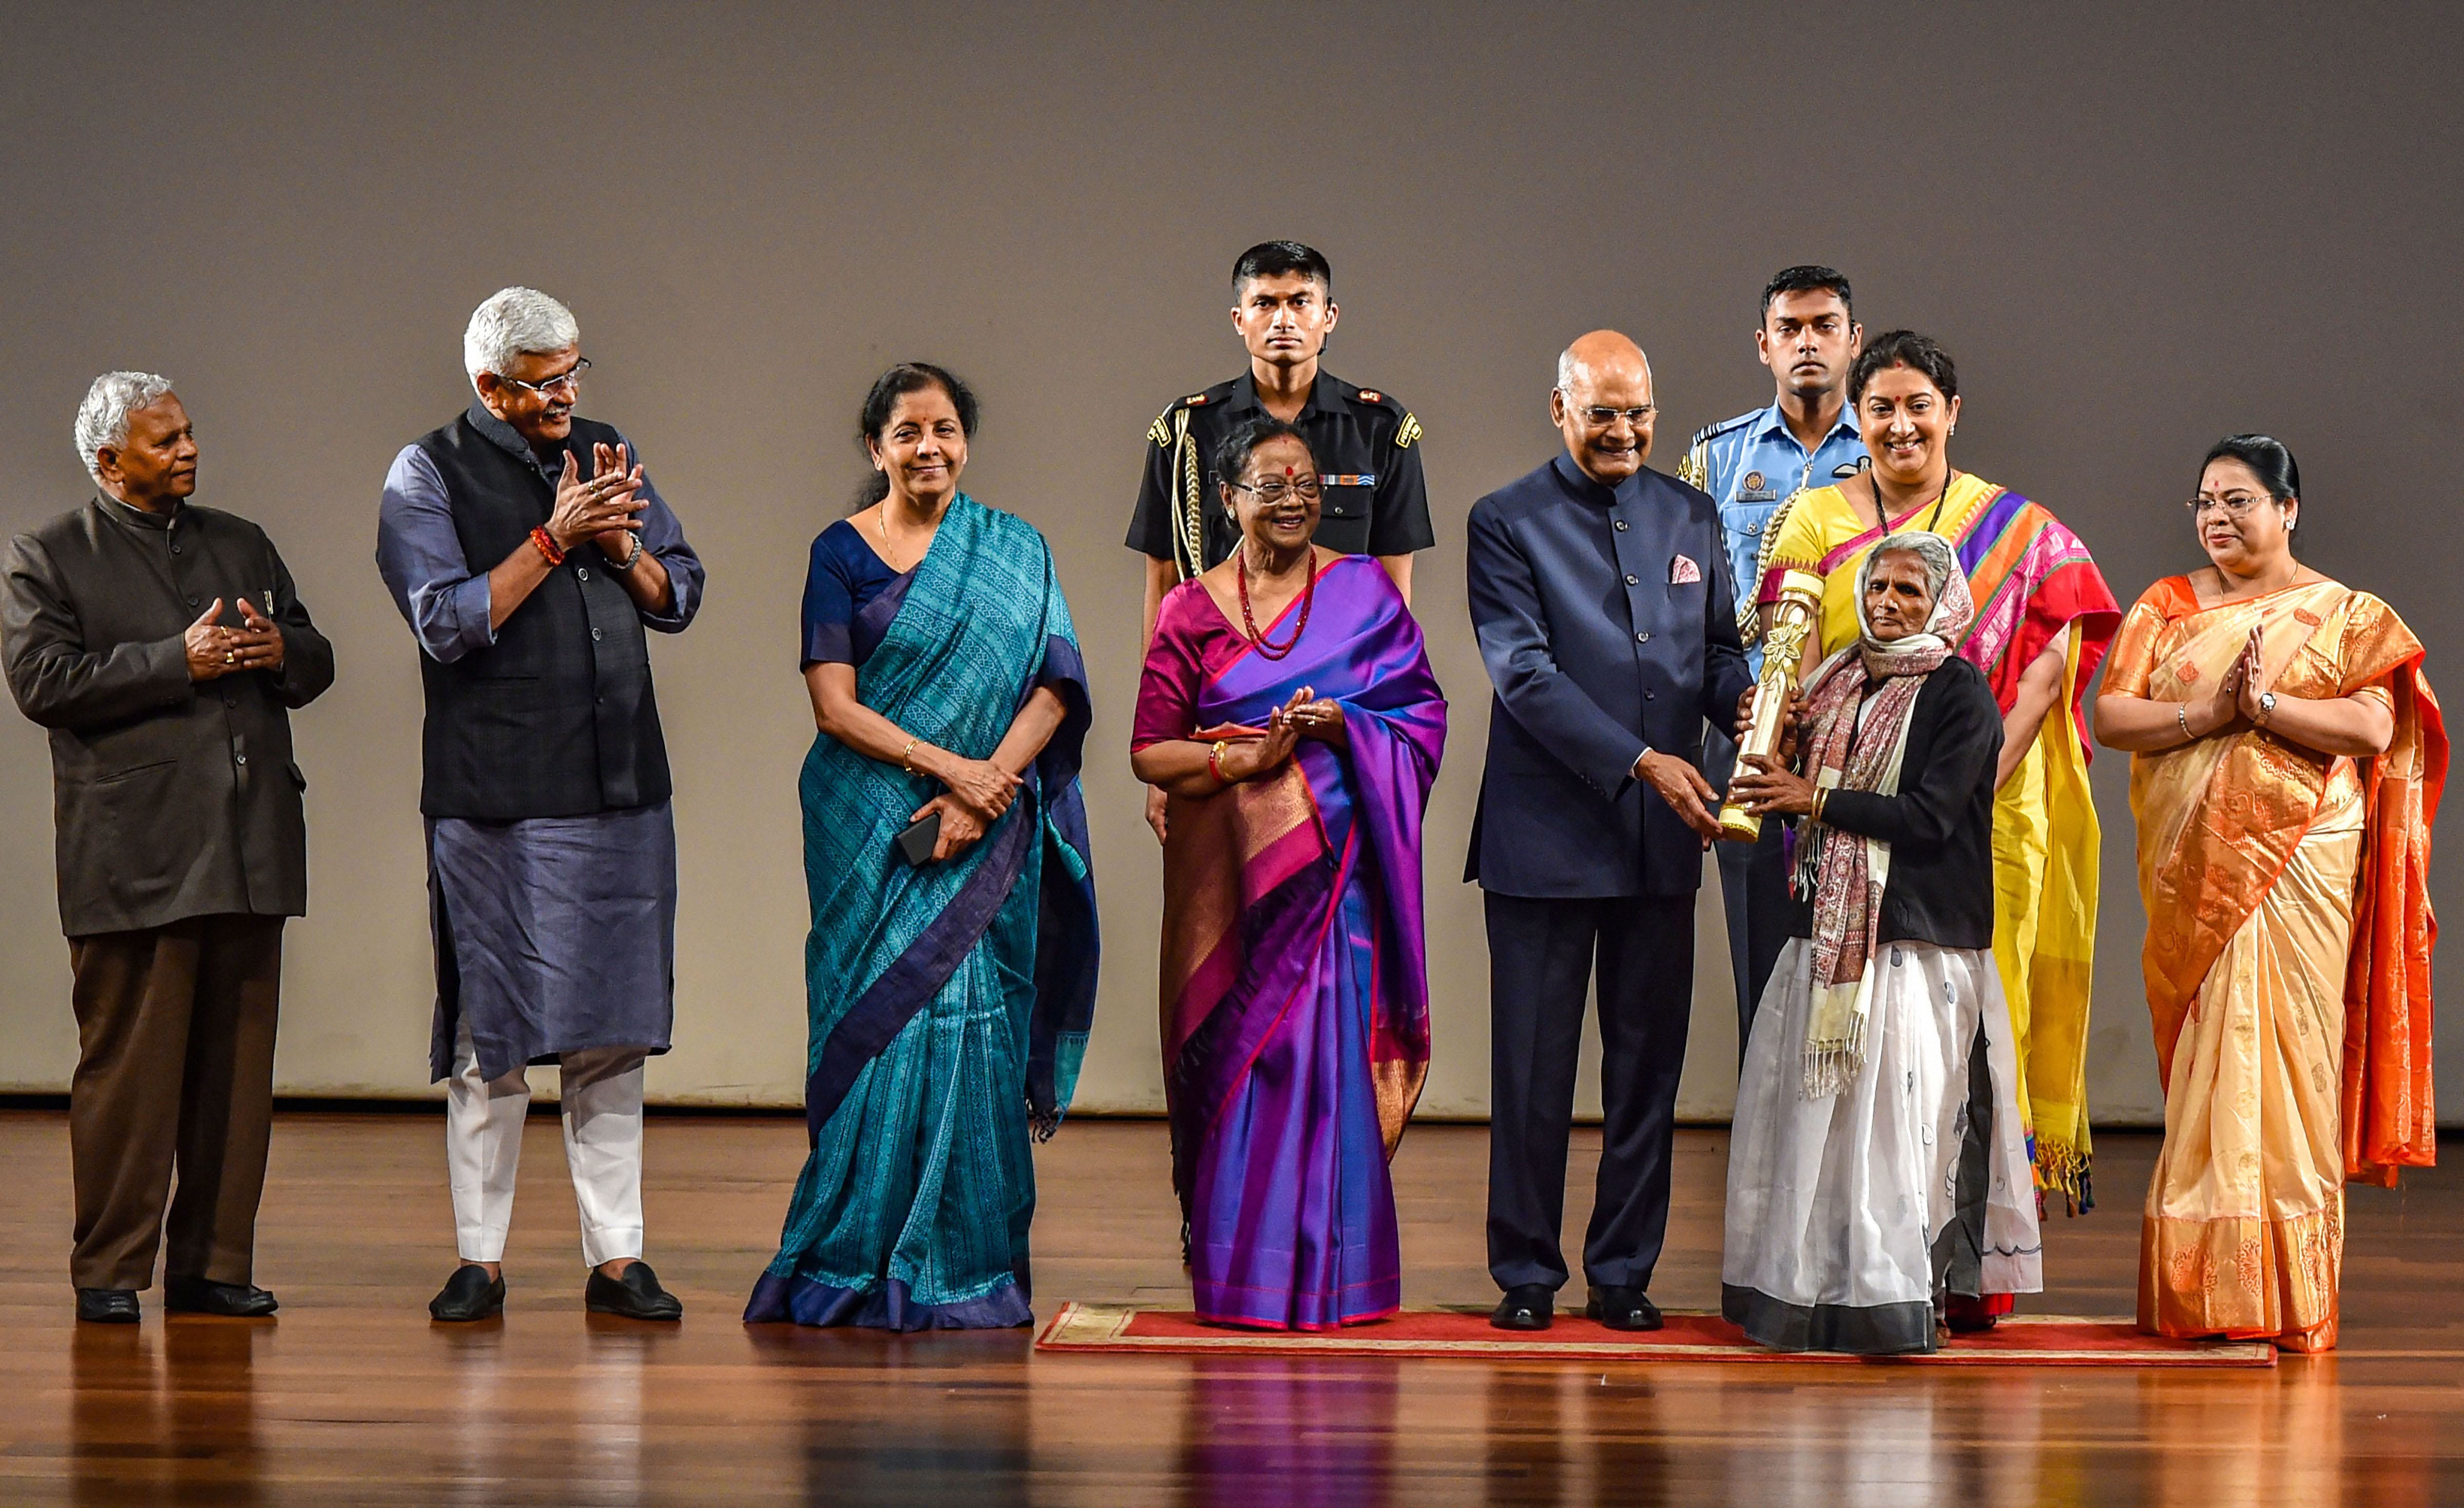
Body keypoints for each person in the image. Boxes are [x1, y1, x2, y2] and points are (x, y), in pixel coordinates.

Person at [377, 287, 706, 1323]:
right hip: (497, 799)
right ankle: (481, 1258)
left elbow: (684, 591)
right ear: (490, 387)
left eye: (575, 371)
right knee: (493, 1030)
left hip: (619, 785)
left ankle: (619, 1258)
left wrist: (624, 553)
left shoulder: (609, 448)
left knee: (611, 1029)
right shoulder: (425, 471)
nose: (569, 393)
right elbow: (445, 621)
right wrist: (557, 540)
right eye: (546, 380)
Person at [747, 364, 1098, 1332]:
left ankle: (969, 1265)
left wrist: (987, 788)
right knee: (882, 1026)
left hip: (984, 821)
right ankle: (852, 1254)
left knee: (973, 1022)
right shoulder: (841, 551)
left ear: (966, 440)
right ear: (877, 448)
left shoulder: (1015, 549)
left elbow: (1056, 686)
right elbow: (834, 703)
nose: (929, 447)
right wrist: (956, 770)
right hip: (872, 823)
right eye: (908, 433)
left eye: (944, 428)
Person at [1757, 331, 2119, 1269]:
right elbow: (1790, 655)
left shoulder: (2024, 532)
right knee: (1864, 1054)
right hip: (1841, 818)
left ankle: (1962, 1268)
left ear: (1952, 412)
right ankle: (1856, 1260)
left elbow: (2041, 683)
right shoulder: (1813, 518)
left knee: (1972, 1042)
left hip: (1981, 820)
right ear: (1856, 417)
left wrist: (1944, 803)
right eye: (1880, 406)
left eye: (1919, 403)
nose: (1901, 423)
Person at [2095, 435, 2441, 1352]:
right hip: (2196, 868)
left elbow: (2373, 727)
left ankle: (2287, 1297)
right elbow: (2111, 715)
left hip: (2301, 859)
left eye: (2240, 500)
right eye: (2206, 500)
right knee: (2217, 1052)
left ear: (2289, 509)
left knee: (2292, 1058)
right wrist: (2210, 713)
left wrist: (2269, 711)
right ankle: (2206, 1294)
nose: (2218, 516)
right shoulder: (2165, 606)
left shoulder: (2345, 613)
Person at [2, 372, 334, 1324]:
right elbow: (42, 681)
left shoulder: (241, 540)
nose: (187, 451)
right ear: (108, 461)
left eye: (188, 434)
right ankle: (109, 1269)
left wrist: (280, 650)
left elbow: (314, 658)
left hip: (248, 844)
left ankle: (213, 1263)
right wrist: (175, 661)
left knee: (236, 1073)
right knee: (131, 1078)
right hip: (134, 852)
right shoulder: (50, 556)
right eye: (164, 442)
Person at [1466, 331, 1756, 1332]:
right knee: (1534, 1070)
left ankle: (1624, 1269)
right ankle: (1528, 1272)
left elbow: (1717, 651)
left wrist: (1752, 707)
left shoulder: (1692, 513)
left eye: (1638, 411)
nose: (1624, 430)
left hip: (1661, 844)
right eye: (1602, 413)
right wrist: (1641, 761)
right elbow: (1524, 675)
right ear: (1560, 410)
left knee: (1647, 1069)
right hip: (1543, 840)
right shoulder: (1503, 521)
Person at [1132, 416, 1446, 1330]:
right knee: (1242, 1064)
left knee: (1323, 1067)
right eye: (1270, 484)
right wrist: (1245, 760)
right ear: (1227, 498)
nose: (1294, 498)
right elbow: (1152, 752)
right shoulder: (1188, 609)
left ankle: (1336, 1280)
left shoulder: (1363, 595)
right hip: (1229, 889)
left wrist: (1344, 724)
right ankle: (1244, 1279)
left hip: (1334, 885)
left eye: (1306, 484)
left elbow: (1420, 716)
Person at [1722, 532, 2043, 1353]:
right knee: (1816, 1127)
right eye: (1877, 587)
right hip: (1828, 940)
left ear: (1942, 603)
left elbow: (1932, 817)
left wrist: (1813, 796)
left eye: (1908, 590)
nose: (1887, 603)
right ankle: (1817, 1288)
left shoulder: (1959, 692)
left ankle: (1890, 1295)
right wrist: (1771, 735)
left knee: (1898, 1133)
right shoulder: (1832, 678)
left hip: (1915, 946)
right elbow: (1785, 781)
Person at [1126, 241, 1434, 844]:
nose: (1284, 319)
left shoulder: (1380, 430)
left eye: (1300, 301)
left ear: (1329, 316)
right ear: (1239, 319)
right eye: (1265, 303)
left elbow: (1394, 607)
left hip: (1335, 731)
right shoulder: (1186, 432)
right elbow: (1162, 591)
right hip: (1223, 730)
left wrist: (1379, 738)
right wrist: (1163, 758)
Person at [1674, 266, 1868, 1058]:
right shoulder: (1719, 456)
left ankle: (1852, 1153)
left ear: (1854, 341)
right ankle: (1770, 1162)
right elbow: (1683, 601)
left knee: (1863, 940)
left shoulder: (1889, 447)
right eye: (1791, 328)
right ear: (1765, 345)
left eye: (1825, 325)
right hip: (1747, 722)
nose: (1808, 342)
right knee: (1761, 947)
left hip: (1860, 728)